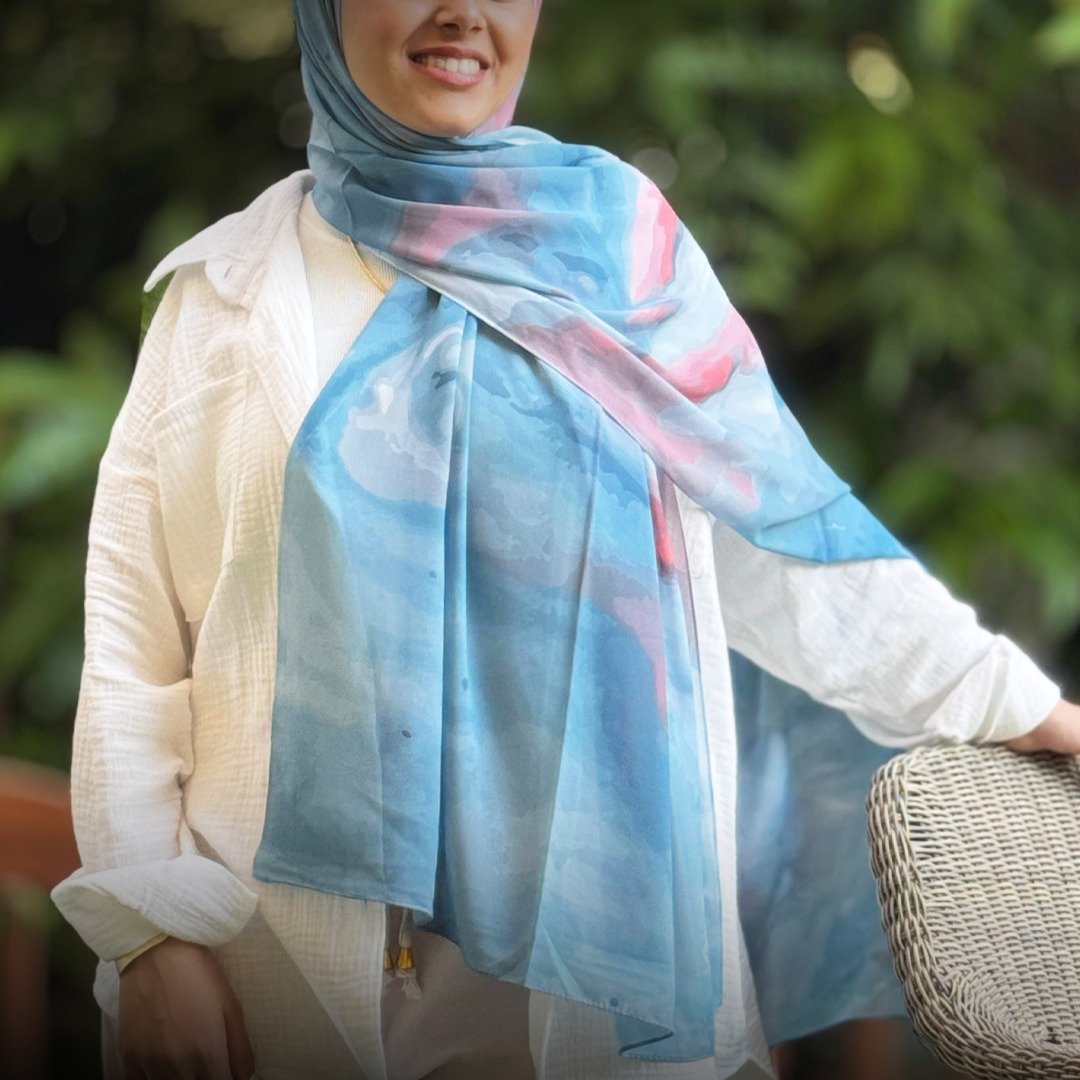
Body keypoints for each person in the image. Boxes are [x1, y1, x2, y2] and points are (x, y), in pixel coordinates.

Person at [50, 1, 1080, 1079]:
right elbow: (133, 649)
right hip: (273, 986)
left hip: (589, 998)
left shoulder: (619, 254)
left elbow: (784, 545)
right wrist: (151, 937)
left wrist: (1015, 702)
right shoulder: (224, 297)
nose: (464, 11)